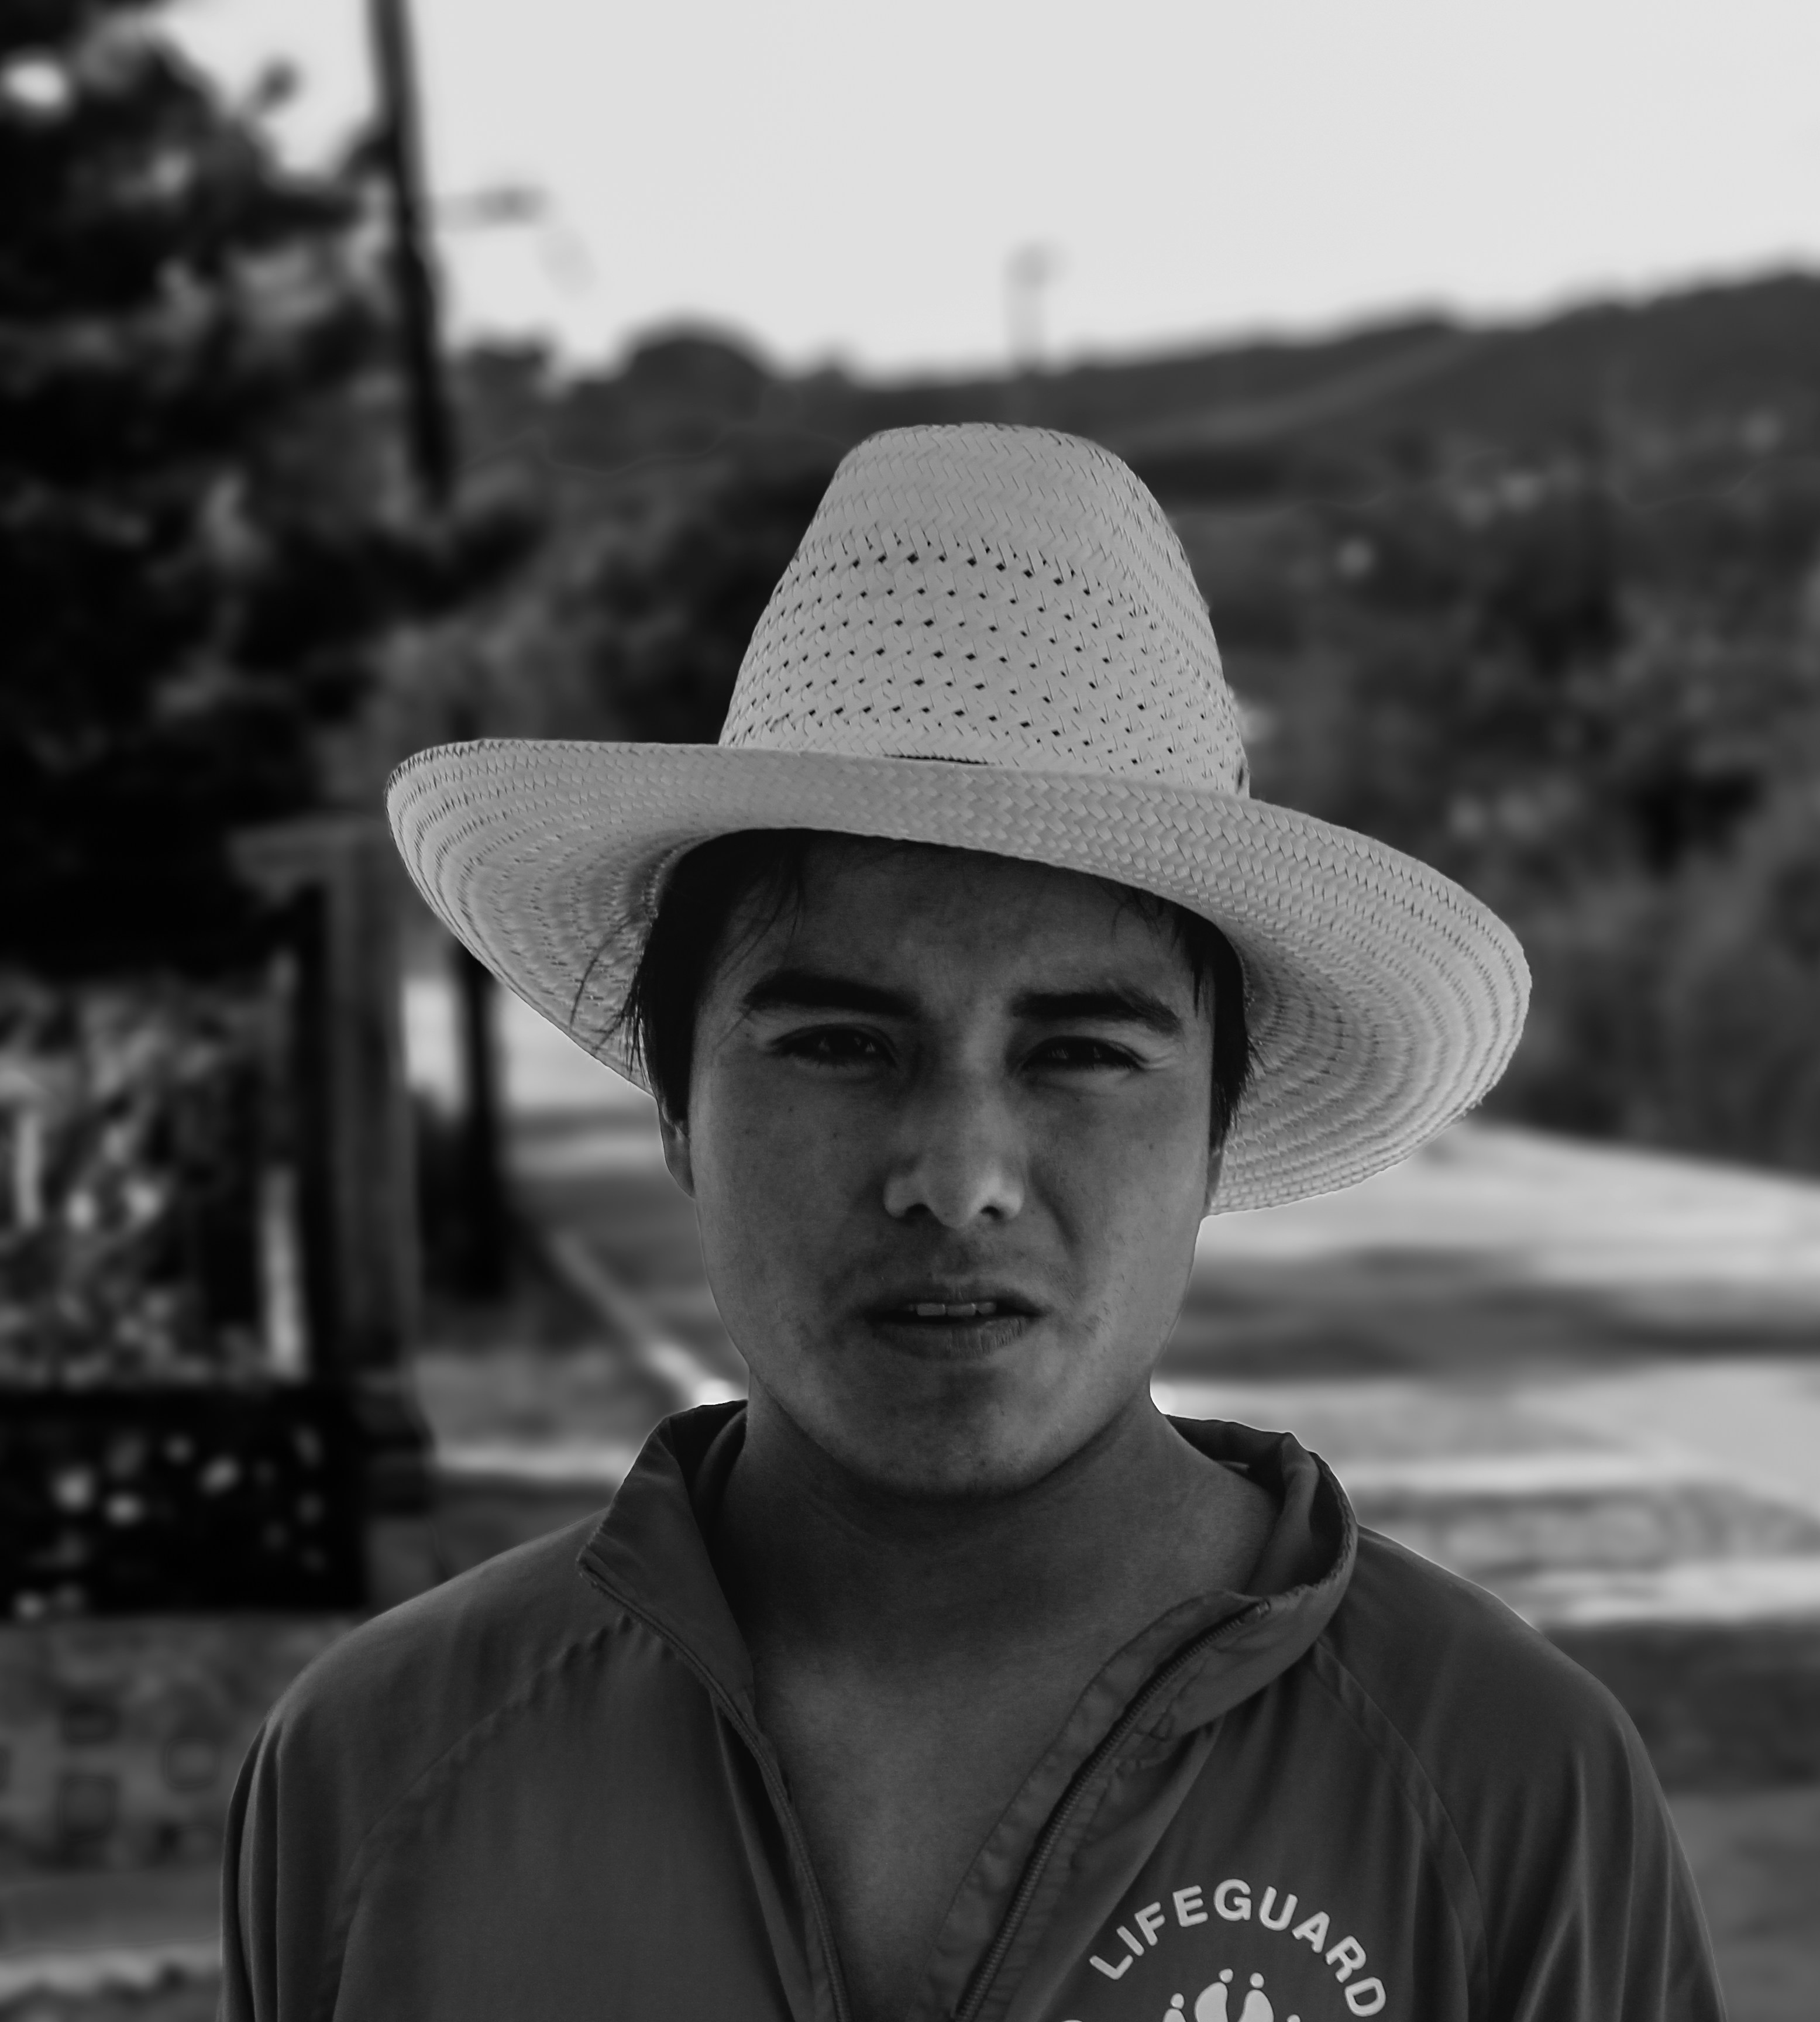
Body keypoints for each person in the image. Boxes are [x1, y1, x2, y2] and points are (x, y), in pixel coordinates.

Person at [219, 427, 1724, 2022]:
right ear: (675, 1103)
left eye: (1078, 1054)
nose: (958, 1176)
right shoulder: (378, 1779)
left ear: (1216, 1127)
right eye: (840, 1045)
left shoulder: (1498, 1784)